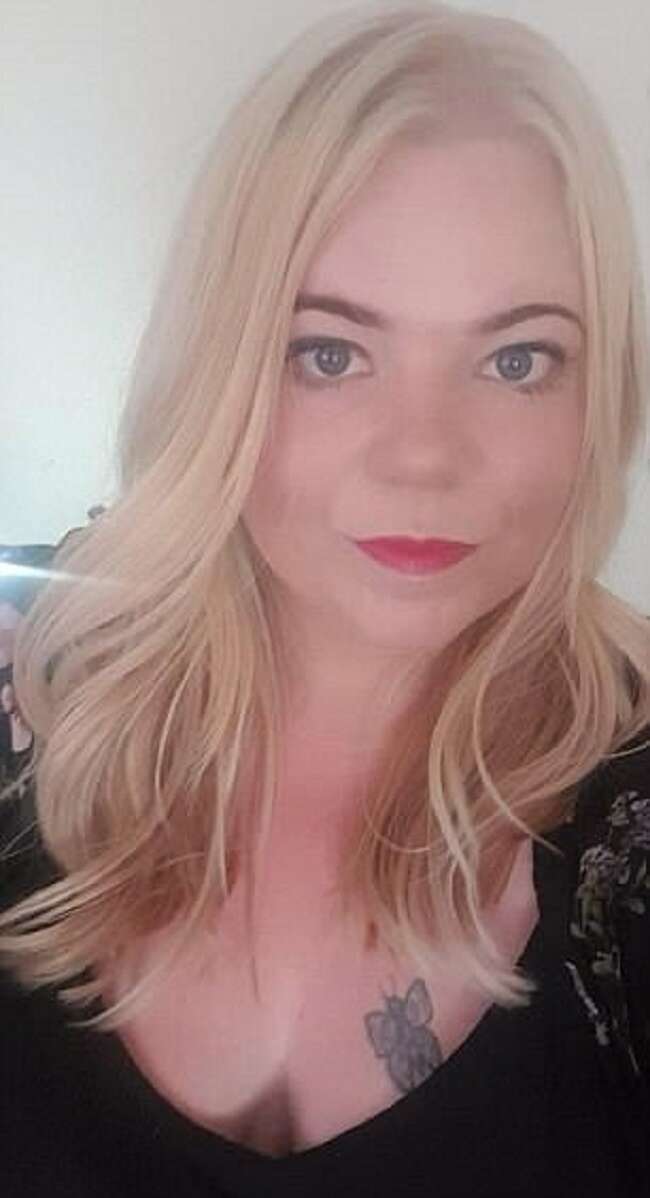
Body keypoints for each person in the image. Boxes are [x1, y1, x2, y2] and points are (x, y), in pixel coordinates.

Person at [1, 3, 649, 1194]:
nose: (422, 457)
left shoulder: (629, 822)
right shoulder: (34, 703)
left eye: (514, 359)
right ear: (219, 371)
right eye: (329, 352)